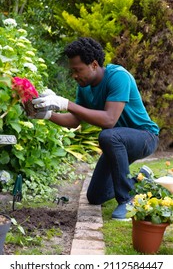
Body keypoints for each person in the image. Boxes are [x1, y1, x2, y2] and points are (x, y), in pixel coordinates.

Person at [31, 37, 159, 220]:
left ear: (93, 64)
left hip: (145, 136)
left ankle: (127, 200)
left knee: (107, 135)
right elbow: (75, 120)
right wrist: (47, 115)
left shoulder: (118, 76)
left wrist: (66, 103)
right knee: (95, 196)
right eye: (72, 71)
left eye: (78, 70)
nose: (74, 75)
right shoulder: (84, 87)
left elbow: (109, 120)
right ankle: (140, 180)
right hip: (116, 142)